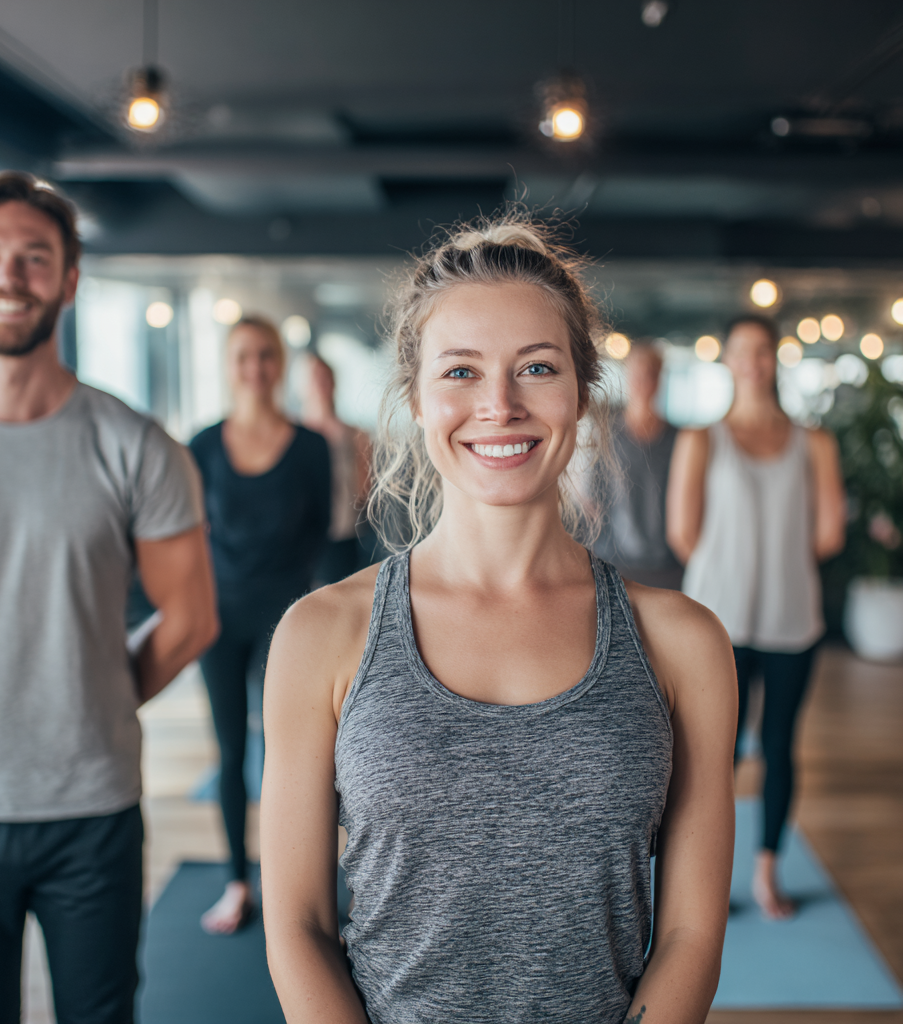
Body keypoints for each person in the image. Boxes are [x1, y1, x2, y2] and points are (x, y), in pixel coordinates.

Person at [260, 215, 738, 1024]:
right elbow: (299, 927)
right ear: (415, 397)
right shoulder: (321, 635)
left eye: (537, 367)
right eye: (460, 372)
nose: (500, 405)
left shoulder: (683, 643)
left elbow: (691, 933)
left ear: (583, 393)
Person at [0, 172, 218, 1024]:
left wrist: (92, 698)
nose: (9, 276)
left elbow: (190, 617)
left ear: (69, 281)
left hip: (91, 808)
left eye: (35, 258)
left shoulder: (134, 444)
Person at [667, 314, 846, 919]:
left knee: (778, 744)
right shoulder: (702, 440)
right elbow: (682, 533)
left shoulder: (814, 442)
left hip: (793, 619)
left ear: (775, 359)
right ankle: (703, 881)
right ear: (729, 360)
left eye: (763, 351)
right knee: (712, 754)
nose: (753, 362)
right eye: (742, 351)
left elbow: (829, 534)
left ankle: (767, 871)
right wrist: (736, 568)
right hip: (718, 622)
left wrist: (774, 566)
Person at [189, 317, 330, 934]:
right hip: (220, 616)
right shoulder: (201, 445)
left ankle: (291, 885)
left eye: (266, 355)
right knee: (229, 749)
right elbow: (189, 539)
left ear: (279, 364)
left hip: (288, 620)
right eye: (244, 356)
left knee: (288, 756)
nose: (255, 367)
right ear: (229, 363)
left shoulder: (309, 447)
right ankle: (236, 881)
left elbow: (321, 537)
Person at [592, 341, 683, 589]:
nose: (643, 381)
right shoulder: (606, 434)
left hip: (668, 565)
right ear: (627, 376)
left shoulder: (680, 439)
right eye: (637, 373)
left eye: (651, 373)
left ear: (660, 378)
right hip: (615, 563)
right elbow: (592, 500)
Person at [300, 354, 372, 584]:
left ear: (334, 383)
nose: (320, 384)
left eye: (324, 378)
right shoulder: (291, 436)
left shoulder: (355, 434)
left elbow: (364, 490)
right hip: (300, 536)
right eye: (314, 378)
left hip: (342, 535)